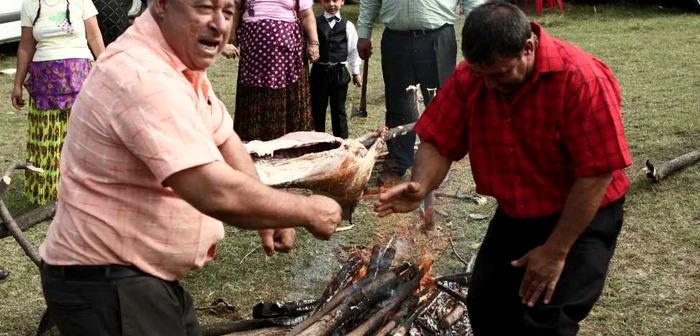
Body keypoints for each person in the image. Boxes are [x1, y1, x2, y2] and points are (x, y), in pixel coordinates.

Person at [37, 0, 342, 334]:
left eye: (227, 12)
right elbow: (212, 191)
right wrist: (307, 210)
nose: (220, 24)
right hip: (108, 284)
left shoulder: (179, 62)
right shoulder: (142, 75)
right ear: (163, 5)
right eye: (204, 7)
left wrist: (267, 215)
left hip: (136, 279)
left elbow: (225, 138)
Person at [374, 2, 632, 335]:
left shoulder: (581, 79)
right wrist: (421, 185)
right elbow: (439, 140)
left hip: (584, 214)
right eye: (482, 75)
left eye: (499, 74)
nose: (490, 86)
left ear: (528, 47)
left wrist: (555, 252)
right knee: (488, 306)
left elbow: (596, 175)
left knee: (545, 322)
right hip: (519, 212)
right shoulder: (473, 78)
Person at [356, 0, 483, 185]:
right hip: (395, 39)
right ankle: (398, 162)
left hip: (438, 37)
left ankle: (438, 165)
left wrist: (476, 33)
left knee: (441, 104)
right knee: (398, 103)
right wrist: (364, 33)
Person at [11, 0, 105, 205]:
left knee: (82, 140)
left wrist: (107, 67)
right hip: (45, 82)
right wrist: (17, 83)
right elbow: (26, 46)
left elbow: (94, 36)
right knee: (46, 139)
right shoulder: (30, 5)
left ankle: (87, 196)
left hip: (80, 78)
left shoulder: (82, 1)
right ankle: (49, 196)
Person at [226, 0, 320, 142]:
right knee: (255, 95)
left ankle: (292, 144)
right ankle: (253, 143)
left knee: (288, 97)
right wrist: (231, 34)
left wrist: (313, 43)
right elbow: (236, 9)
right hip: (254, 54)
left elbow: (306, 15)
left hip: (288, 53)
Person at [309, 0, 361, 139]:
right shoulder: (314, 23)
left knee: (339, 110)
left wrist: (356, 72)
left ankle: (342, 142)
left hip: (339, 72)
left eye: (335, 0)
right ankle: (318, 143)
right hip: (319, 72)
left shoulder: (348, 25)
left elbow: (353, 50)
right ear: (320, 2)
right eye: (327, 1)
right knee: (318, 109)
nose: (332, 4)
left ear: (342, 1)